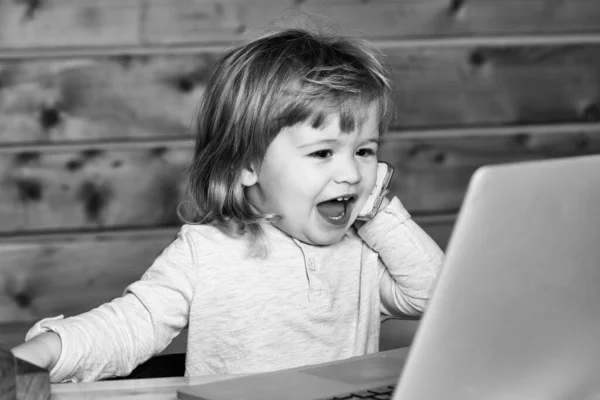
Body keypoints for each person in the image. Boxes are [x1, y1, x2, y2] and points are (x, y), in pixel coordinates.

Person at [11, 27, 444, 383]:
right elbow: (129, 327)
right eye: (322, 153)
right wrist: (47, 350)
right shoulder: (206, 254)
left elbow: (434, 296)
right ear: (247, 165)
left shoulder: (362, 257)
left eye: (365, 151)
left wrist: (378, 208)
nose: (351, 173)